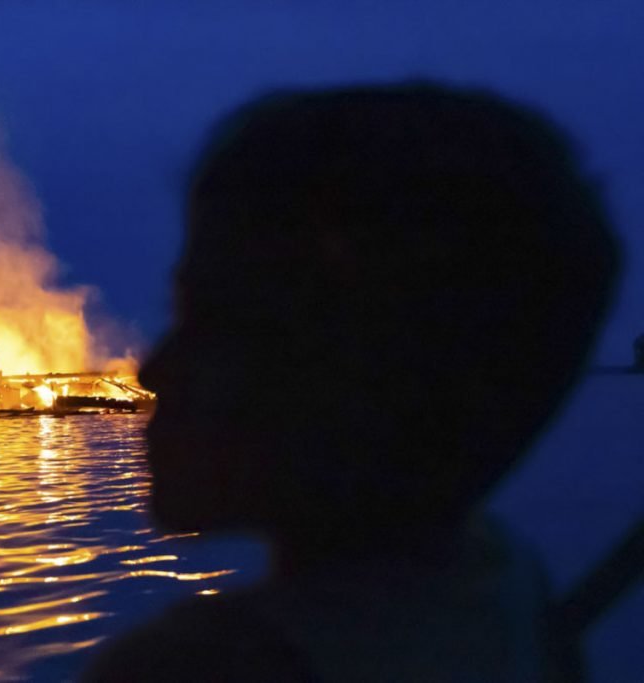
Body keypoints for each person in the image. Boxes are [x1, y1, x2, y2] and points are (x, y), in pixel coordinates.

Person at [83, 83, 620, 681]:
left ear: (371, 373)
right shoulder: (506, 580)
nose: (154, 370)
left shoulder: (204, 665)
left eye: (215, 322)